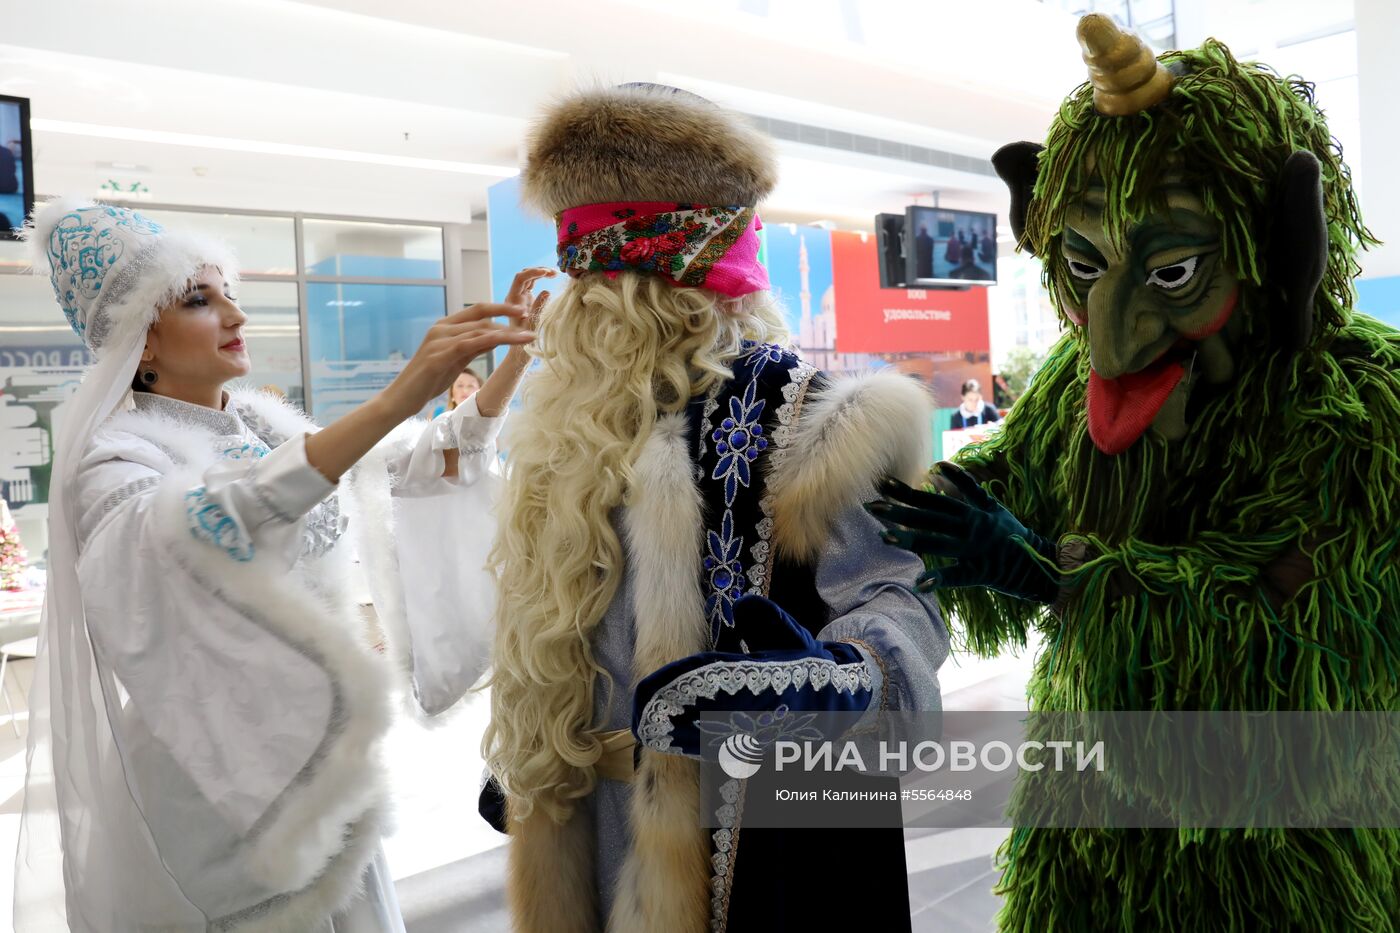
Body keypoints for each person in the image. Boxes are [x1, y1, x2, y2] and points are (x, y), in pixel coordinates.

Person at [871, 15, 1400, 931]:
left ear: (1282, 247)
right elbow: (999, 491)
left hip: (1286, 864)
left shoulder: (1367, 414)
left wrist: (1058, 578)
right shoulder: (1078, 389)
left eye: (1175, 269)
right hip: (1081, 833)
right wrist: (869, 489)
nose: (1108, 342)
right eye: (1084, 263)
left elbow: (1311, 682)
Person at [481, 83, 948, 933]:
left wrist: (839, 680)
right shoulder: (569, 431)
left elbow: (900, 598)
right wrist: (535, 730)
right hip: (592, 825)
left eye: (598, 276)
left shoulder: (813, 418)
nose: (580, 300)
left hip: (763, 836)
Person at [16, 195, 552, 932]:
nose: (235, 316)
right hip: (219, 776)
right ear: (140, 340)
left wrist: (510, 365)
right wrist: (401, 395)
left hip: (323, 763)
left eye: (231, 294)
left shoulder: (265, 423)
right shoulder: (118, 457)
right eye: (199, 299)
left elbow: (401, 468)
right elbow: (205, 525)